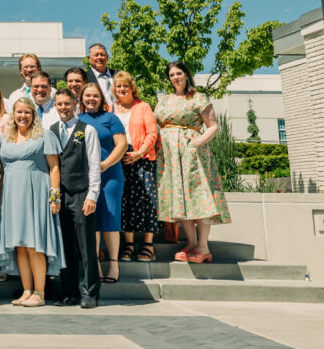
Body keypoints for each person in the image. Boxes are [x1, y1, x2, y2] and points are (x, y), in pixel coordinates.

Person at [156, 61, 231, 263]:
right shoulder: (165, 99)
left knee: (198, 196)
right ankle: (191, 243)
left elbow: (213, 126)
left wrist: (196, 142)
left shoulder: (198, 97)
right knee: (182, 199)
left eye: (179, 73)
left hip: (191, 154)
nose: (175, 77)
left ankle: (203, 246)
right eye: (171, 74)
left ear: (186, 75)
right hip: (170, 157)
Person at [0, 98, 64, 309]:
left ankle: (40, 292)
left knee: (35, 245)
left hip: (36, 193)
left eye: (27, 112)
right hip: (12, 196)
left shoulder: (45, 136)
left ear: (33, 115)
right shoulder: (5, 139)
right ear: (13, 114)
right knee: (20, 245)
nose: (22, 116)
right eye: (19, 112)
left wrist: (55, 197)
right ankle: (27, 290)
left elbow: (54, 167)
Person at [48, 89, 101, 308]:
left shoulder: (87, 130)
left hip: (81, 193)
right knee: (65, 245)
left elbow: (94, 165)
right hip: (61, 196)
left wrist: (92, 195)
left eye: (67, 104)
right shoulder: (50, 131)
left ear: (75, 103)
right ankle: (70, 292)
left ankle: (90, 291)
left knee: (86, 246)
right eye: (59, 104)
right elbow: (51, 167)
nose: (63, 107)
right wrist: (54, 197)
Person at [79, 82, 127, 284]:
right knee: (94, 220)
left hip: (110, 174)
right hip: (86, 176)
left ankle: (113, 264)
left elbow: (122, 145)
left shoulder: (110, 118)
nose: (91, 99)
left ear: (101, 99)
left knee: (110, 219)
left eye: (95, 96)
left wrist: (105, 164)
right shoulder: (76, 119)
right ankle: (96, 265)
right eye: (87, 95)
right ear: (81, 98)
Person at [113, 71, 159, 263]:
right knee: (125, 201)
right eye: (118, 86)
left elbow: (152, 133)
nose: (122, 89)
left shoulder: (143, 107)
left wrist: (139, 153)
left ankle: (148, 245)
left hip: (142, 157)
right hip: (119, 157)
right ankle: (129, 244)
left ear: (132, 87)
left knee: (147, 199)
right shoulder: (110, 108)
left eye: (125, 85)